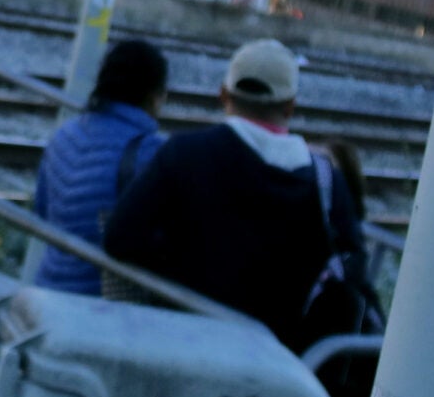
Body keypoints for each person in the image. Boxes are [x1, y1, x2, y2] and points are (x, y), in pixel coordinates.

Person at [104, 40, 378, 357]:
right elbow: (354, 270)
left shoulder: (183, 153)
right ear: (290, 106)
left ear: (224, 95)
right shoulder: (326, 180)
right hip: (281, 366)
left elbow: (118, 238)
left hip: (185, 346)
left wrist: (178, 266)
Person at [28, 39, 169, 295]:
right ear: (154, 97)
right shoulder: (152, 153)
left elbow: (42, 209)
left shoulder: (65, 134)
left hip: (48, 290)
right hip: (101, 306)